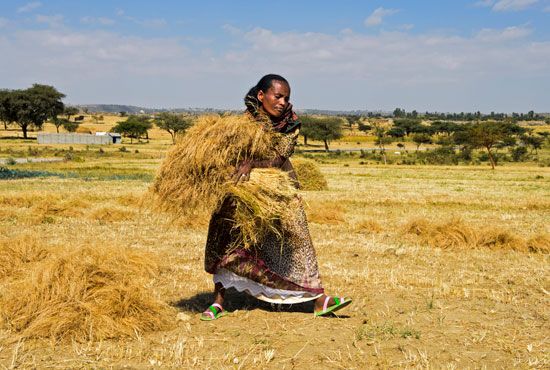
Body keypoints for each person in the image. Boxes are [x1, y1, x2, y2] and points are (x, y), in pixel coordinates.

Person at [201, 74, 351, 320]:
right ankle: (218, 301)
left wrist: (253, 164)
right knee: (226, 235)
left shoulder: (290, 124)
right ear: (262, 96)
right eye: (278, 96)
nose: (283, 102)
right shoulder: (242, 123)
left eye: (286, 98)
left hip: (278, 184)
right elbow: (228, 154)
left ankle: (319, 300)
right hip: (242, 186)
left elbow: (278, 159)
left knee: (296, 236)